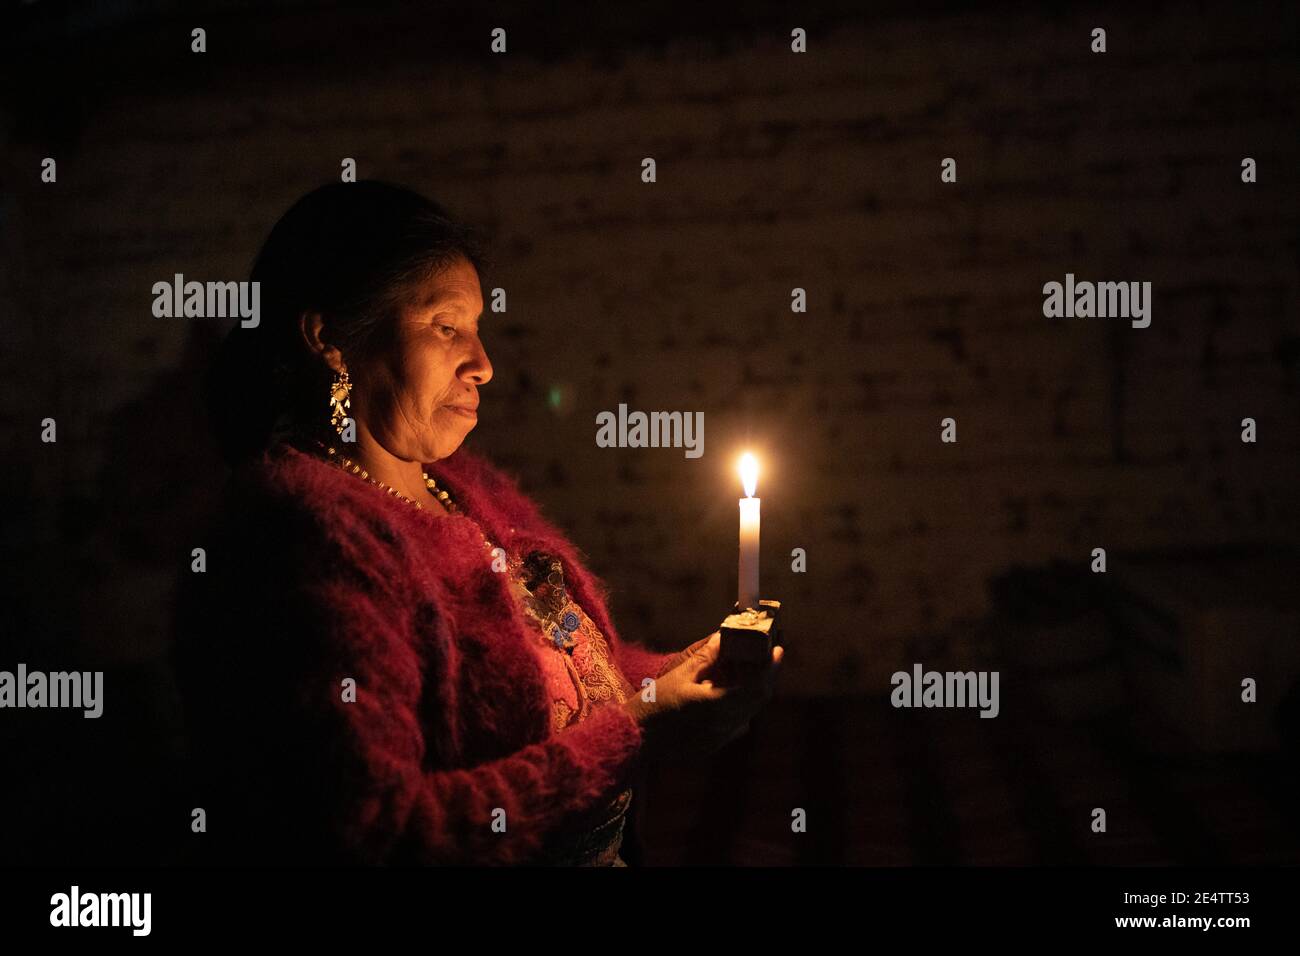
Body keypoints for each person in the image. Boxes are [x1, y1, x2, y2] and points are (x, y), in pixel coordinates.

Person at [171, 180, 782, 865]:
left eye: (479, 328)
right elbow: (385, 830)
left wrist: (668, 686)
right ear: (333, 341)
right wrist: (634, 728)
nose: (483, 364)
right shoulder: (307, 541)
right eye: (445, 326)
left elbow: (548, 681)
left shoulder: (460, 487)